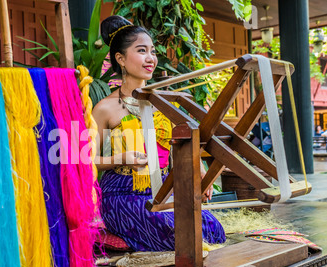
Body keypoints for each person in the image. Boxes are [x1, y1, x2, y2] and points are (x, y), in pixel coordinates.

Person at [92, 15, 226, 252]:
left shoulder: (164, 103)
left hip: (164, 189)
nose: (150, 58)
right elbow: (86, 160)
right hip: (123, 195)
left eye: (152, 51)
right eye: (142, 51)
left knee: (211, 229)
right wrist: (121, 159)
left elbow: (181, 147)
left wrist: (200, 173)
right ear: (120, 58)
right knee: (178, 234)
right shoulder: (105, 108)